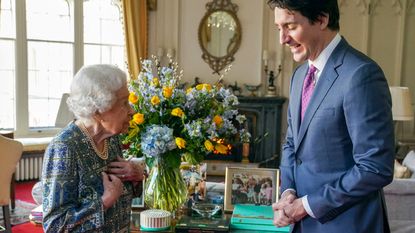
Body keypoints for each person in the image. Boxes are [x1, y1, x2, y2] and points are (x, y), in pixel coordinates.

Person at [268, 1, 394, 232]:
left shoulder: (361, 74)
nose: (282, 39)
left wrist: (305, 205)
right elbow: (291, 143)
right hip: (301, 225)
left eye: (291, 26)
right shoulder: (298, 77)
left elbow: (374, 167)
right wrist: (288, 193)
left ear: (322, 19)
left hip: (347, 225)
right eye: (279, 28)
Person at [42, 64, 145, 232]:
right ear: (98, 111)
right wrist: (104, 202)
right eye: (124, 103)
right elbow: (55, 226)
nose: (131, 111)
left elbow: (123, 194)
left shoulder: (111, 138)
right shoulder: (65, 148)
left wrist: (136, 175)